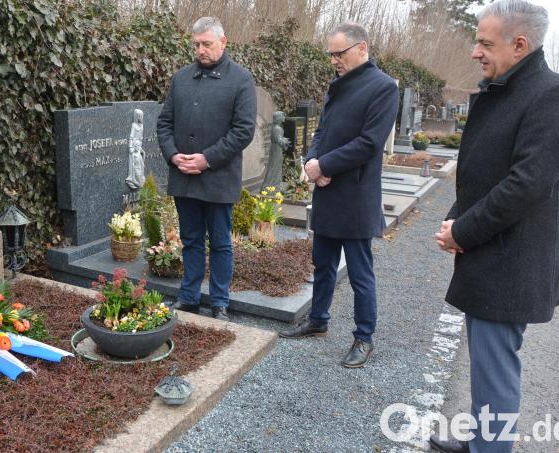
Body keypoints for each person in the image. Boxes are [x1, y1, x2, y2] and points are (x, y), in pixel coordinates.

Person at [430, 1, 559, 452]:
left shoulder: (554, 96)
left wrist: (463, 231)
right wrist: (457, 217)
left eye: (484, 43)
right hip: (492, 254)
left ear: (519, 45)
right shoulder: (505, 90)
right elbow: (484, 171)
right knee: (484, 363)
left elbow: (527, 185)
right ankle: (482, 440)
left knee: (495, 367)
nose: (475, 51)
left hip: (511, 261)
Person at [278, 22, 399, 369]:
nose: (333, 60)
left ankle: (364, 337)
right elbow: (322, 131)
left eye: (338, 53)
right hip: (328, 191)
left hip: (355, 196)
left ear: (362, 49)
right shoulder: (337, 85)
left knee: (360, 273)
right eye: (330, 54)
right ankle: (318, 320)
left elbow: (369, 143)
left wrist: (325, 165)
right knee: (323, 263)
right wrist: (311, 161)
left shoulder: (383, 87)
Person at [157, 16, 256, 321]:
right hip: (184, 176)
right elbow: (164, 123)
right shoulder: (181, 78)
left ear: (223, 42)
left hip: (219, 177)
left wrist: (206, 159)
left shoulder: (241, 79)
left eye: (206, 44)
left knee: (221, 243)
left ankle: (219, 302)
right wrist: (174, 156)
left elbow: (243, 131)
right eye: (196, 44)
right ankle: (188, 297)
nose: (200, 50)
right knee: (190, 239)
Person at [126, 109, 146, 190]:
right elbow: (131, 137)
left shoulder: (142, 126)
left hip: (138, 147)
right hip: (134, 147)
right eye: (139, 116)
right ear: (136, 117)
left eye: (142, 116)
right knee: (134, 165)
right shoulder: (134, 125)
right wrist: (131, 148)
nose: (141, 117)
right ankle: (132, 180)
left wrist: (140, 147)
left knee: (141, 165)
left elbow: (141, 138)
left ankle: (139, 180)